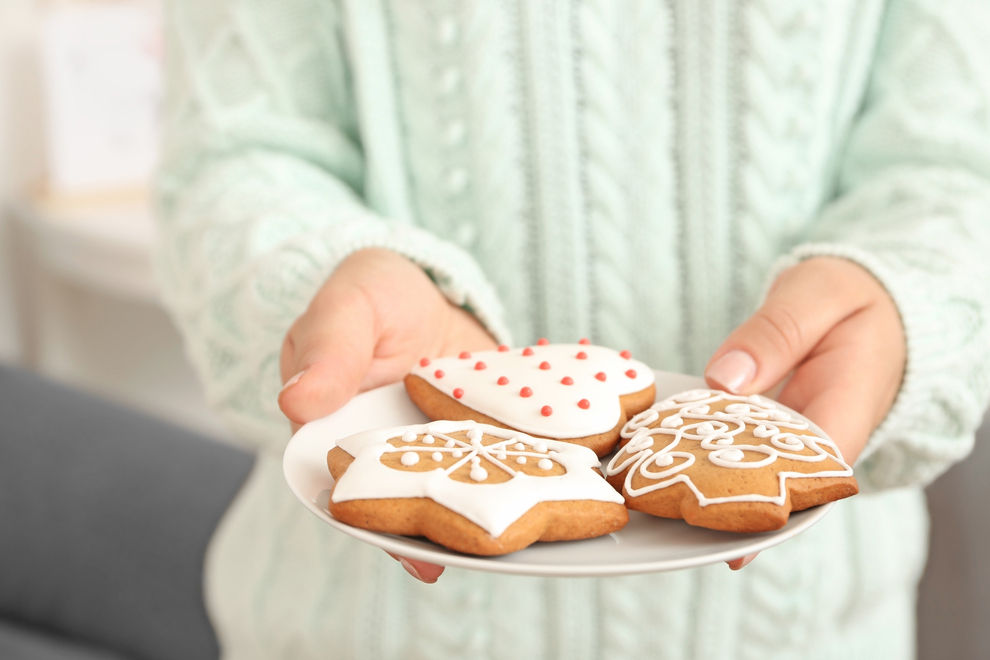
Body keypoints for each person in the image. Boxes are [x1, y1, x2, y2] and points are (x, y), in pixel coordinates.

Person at [154, 0, 990, 657]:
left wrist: (900, 298)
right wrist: (324, 280)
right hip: (356, 631)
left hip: (802, 633)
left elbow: (955, 163)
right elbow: (230, 156)